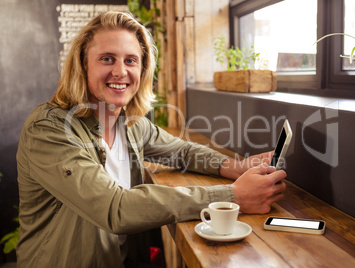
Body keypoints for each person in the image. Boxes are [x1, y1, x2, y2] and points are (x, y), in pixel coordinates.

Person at [16, 11, 286, 267]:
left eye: (130, 60)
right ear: (83, 65)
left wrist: (236, 167)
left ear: (143, 70)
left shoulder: (130, 123)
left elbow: (182, 151)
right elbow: (114, 207)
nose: (121, 72)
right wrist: (233, 196)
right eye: (107, 59)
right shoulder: (49, 128)